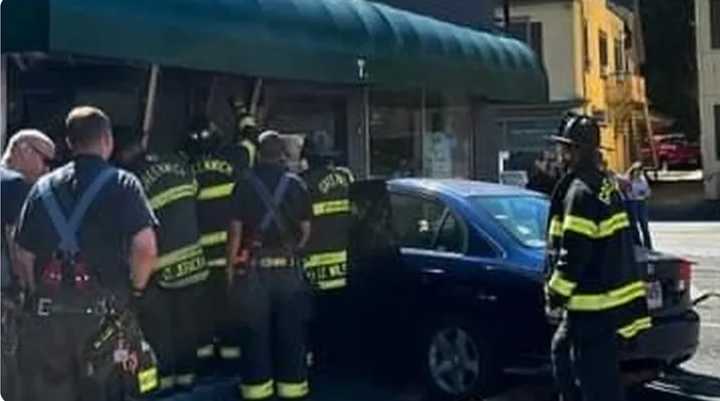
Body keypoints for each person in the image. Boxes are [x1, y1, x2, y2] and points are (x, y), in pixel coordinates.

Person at [13, 106, 159, 401]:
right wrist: (136, 290)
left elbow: (22, 254)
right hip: (104, 321)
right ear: (107, 140)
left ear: (69, 143)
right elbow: (145, 249)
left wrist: (36, 292)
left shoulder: (42, 189)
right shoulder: (124, 184)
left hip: (49, 320)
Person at [545, 113, 651, 401]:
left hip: (591, 309)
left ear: (576, 151)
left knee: (596, 386)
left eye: (564, 148)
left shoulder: (580, 192)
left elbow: (574, 252)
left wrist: (553, 293)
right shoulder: (605, 186)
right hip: (602, 309)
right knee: (562, 356)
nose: (560, 154)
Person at [117, 134, 209, 395]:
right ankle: (188, 380)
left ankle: (166, 384)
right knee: (188, 324)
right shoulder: (179, 164)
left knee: (162, 329)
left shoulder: (131, 181)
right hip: (194, 262)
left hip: (161, 270)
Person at [226, 130, 313, 401]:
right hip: (288, 271)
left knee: (255, 335)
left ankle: (257, 391)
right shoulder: (296, 184)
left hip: (254, 272)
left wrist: (230, 269)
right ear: (282, 155)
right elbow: (307, 230)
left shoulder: (243, 185)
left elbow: (235, 233)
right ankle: (292, 388)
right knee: (291, 333)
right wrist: (293, 251)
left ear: (258, 154)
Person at [185, 116, 250, 376]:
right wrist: (241, 111)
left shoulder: (187, 170)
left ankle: (206, 362)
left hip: (202, 258)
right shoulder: (237, 159)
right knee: (230, 309)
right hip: (230, 255)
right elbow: (250, 140)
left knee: (204, 313)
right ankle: (231, 360)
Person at [1, 129, 55, 401]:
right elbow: (18, 246)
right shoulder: (13, 184)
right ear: (22, 149)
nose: (47, 169)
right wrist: (29, 288)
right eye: (44, 160)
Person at [625, 162, 653, 249]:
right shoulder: (628, 180)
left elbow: (648, 191)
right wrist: (637, 194)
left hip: (642, 202)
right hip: (633, 203)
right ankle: (638, 244)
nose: (638, 173)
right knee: (634, 225)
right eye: (637, 171)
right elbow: (628, 193)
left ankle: (648, 246)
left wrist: (644, 194)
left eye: (640, 171)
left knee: (644, 224)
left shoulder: (643, 179)